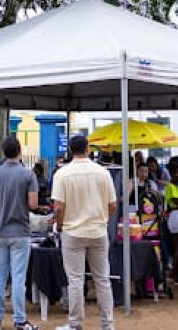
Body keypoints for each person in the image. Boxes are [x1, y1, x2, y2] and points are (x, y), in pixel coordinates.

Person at [51, 134, 116, 330]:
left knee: (76, 280)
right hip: (98, 231)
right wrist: (102, 220)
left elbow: (58, 208)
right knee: (102, 279)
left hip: (72, 232)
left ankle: (75, 323)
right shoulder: (103, 173)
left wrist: (60, 226)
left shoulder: (62, 174)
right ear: (88, 149)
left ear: (70, 150)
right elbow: (112, 205)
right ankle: (107, 324)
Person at [0, 138, 39, 330]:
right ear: (20, 151)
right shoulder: (28, 174)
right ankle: (19, 319)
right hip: (21, 231)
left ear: (3, 151)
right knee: (18, 277)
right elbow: (33, 204)